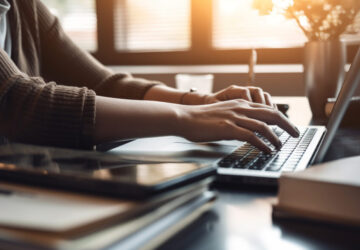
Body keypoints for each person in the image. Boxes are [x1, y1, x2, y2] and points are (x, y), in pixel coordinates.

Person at [0, 0, 299, 153]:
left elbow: (105, 85)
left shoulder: (23, 6)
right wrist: (186, 118)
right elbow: (18, 103)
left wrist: (203, 102)